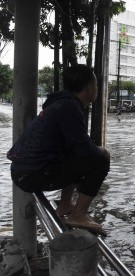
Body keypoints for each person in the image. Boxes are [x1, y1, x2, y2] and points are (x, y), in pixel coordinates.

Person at [7, 64, 110, 236]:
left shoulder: (61, 104)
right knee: (101, 160)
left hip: (23, 172)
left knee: (72, 153)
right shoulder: (69, 108)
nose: (97, 89)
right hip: (32, 175)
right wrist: (102, 151)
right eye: (97, 85)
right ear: (90, 88)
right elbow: (85, 150)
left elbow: (74, 148)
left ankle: (65, 205)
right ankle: (78, 215)